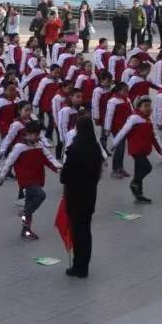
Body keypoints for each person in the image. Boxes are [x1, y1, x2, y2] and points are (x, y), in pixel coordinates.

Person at [60, 116, 103, 278]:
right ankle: (84, 264)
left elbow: (65, 175)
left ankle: (79, 266)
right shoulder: (95, 147)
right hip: (90, 194)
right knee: (86, 230)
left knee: (78, 232)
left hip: (75, 196)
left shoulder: (75, 148)